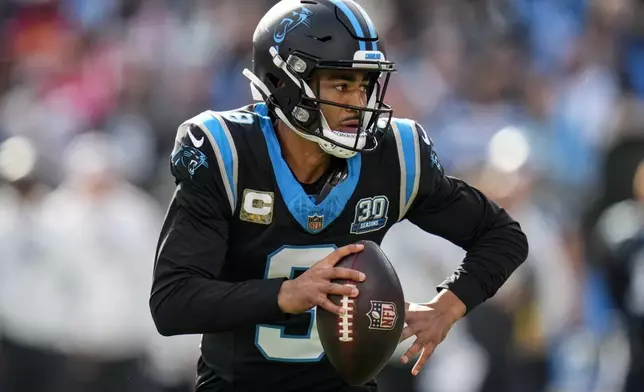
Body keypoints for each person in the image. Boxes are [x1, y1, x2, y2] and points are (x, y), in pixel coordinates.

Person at [149, 1, 529, 391]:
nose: (358, 103)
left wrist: (446, 307)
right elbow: (172, 302)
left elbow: (503, 237)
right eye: (342, 85)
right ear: (284, 82)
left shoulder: (392, 156)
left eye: (365, 85)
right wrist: (284, 294)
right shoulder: (226, 152)